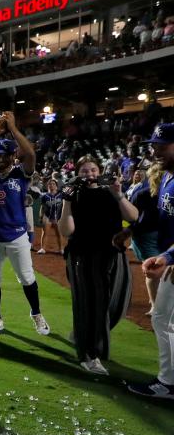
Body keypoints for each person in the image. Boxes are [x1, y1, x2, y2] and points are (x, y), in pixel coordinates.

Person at [0, 112, 50, 336]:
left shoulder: (20, 173)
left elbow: (31, 154)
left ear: (14, 156)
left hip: (16, 236)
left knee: (27, 277)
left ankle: (36, 313)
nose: (1, 159)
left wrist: (13, 129)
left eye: (5, 155)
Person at [58, 157, 138, 374]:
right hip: (84, 256)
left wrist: (118, 192)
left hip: (112, 255)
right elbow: (66, 230)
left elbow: (133, 216)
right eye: (84, 171)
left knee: (117, 302)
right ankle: (89, 354)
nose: (90, 174)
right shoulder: (73, 193)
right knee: (93, 303)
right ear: (78, 173)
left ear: (100, 171)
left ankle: (85, 334)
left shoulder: (110, 191)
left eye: (94, 170)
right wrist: (66, 201)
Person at [129, 124, 174, 399]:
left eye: (162, 144)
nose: (155, 149)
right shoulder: (168, 177)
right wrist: (128, 230)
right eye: (154, 144)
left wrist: (169, 257)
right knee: (164, 318)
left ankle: (168, 383)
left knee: (163, 318)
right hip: (170, 256)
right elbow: (158, 219)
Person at [123, 163, 162, 314]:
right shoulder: (141, 193)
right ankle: (154, 304)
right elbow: (130, 217)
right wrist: (127, 232)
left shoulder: (165, 192)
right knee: (154, 270)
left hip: (158, 234)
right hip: (145, 236)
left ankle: (156, 303)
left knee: (158, 270)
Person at [38, 178, 64, 254]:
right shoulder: (44, 196)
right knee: (45, 232)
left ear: (56, 186)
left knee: (59, 233)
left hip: (58, 217)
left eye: (53, 184)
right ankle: (43, 248)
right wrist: (41, 216)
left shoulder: (61, 195)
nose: (51, 185)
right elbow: (42, 207)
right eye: (50, 184)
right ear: (47, 186)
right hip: (47, 216)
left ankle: (61, 249)